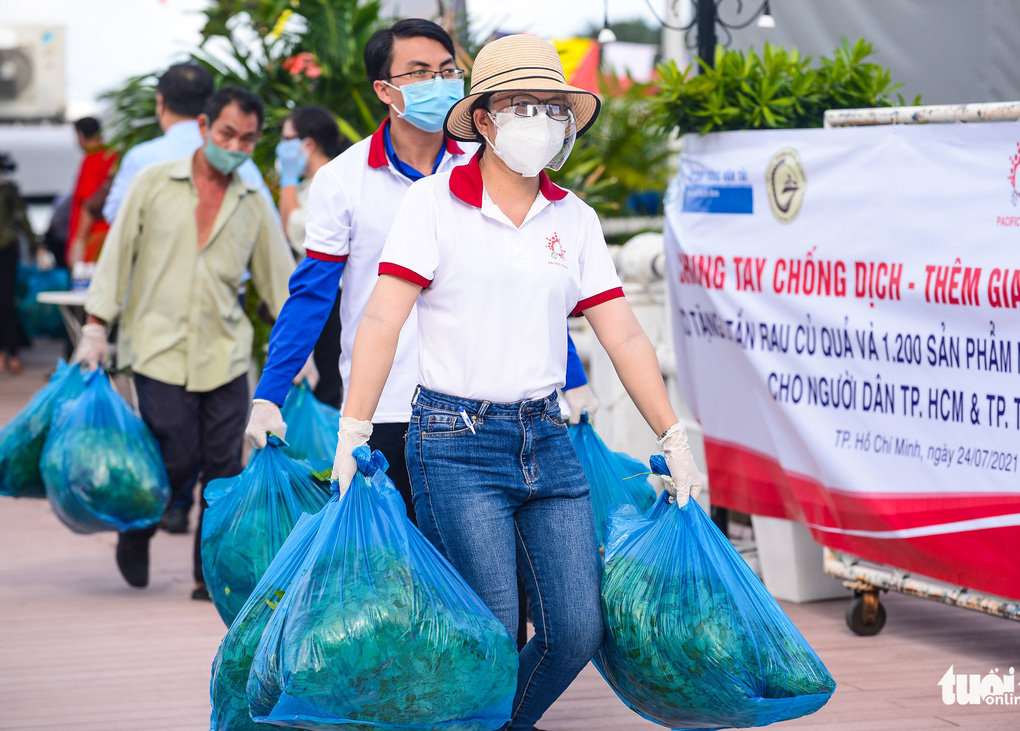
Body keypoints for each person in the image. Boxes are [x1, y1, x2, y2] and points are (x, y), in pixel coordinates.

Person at [334, 35, 705, 731]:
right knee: (494, 627)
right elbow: (383, 318)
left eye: (552, 107)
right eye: (521, 105)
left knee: (575, 629)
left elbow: (622, 333)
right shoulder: (434, 205)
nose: (540, 119)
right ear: (483, 119)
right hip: (454, 442)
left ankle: (495, 724)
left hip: (548, 437)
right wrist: (352, 429)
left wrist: (673, 435)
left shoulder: (574, 218)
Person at [245, 19, 600, 524]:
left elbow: (526, 279)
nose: (439, 82)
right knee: (402, 583)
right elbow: (311, 295)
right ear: (384, 90)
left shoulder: (494, 164)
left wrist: (573, 377)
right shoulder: (342, 181)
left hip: (483, 410)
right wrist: (268, 395)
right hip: (387, 406)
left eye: (448, 70)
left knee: (491, 585)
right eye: (419, 73)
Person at [75, 86, 295, 600]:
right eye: (226, 134)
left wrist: (296, 351)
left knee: (222, 469)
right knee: (172, 455)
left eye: (247, 138)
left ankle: (208, 575)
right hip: (157, 347)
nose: (235, 146)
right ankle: (138, 530)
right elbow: (117, 255)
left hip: (224, 352)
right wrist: (94, 325)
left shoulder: (251, 201)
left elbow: (278, 281)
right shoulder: (154, 183)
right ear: (203, 126)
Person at [102, 62, 273, 225]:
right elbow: (268, 222)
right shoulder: (239, 161)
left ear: (161, 102)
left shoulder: (141, 158)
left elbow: (117, 215)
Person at [273, 105, 350, 407]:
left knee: (327, 385)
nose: (282, 147)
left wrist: (287, 181)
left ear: (307, 144)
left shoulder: (330, 181)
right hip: (323, 295)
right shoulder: (314, 183)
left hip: (334, 297)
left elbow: (295, 227)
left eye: (286, 139)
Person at [0, 152, 37, 375]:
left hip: (5, 248)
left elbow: (21, 216)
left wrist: (35, 244)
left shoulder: (7, 188)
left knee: (5, 301)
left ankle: (11, 352)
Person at [66, 117, 116, 265]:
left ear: (80, 135)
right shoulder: (114, 155)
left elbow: (88, 203)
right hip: (113, 234)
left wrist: (78, 242)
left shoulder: (92, 160)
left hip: (95, 237)